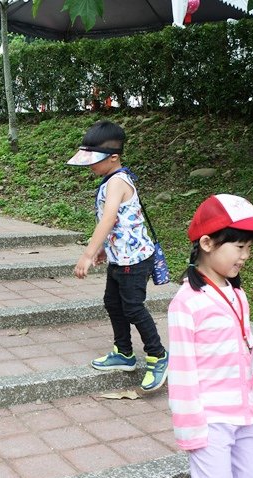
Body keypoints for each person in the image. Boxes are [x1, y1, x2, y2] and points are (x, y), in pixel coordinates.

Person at [139, 194, 253, 478]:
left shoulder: (237, 295)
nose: (245, 256)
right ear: (207, 243)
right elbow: (181, 371)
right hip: (209, 418)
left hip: (245, 412)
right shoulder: (186, 303)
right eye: (239, 246)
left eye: (249, 248)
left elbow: (250, 351)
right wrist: (191, 427)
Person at [68, 120, 169, 392]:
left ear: (113, 157)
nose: (90, 165)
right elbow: (117, 222)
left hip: (134, 260)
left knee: (133, 307)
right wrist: (103, 248)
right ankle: (123, 353)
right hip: (120, 258)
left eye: (94, 160)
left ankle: (158, 356)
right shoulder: (110, 179)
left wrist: (88, 254)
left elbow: (109, 217)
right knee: (113, 303)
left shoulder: (117, 182)